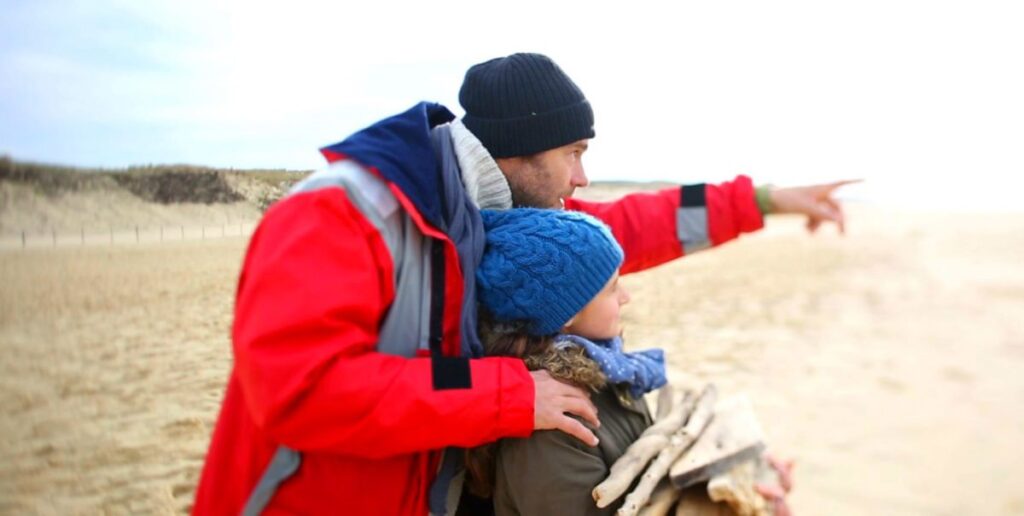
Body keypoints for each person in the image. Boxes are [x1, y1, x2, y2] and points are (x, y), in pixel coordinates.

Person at [192, 52, 847, 515]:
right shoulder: (340, 213)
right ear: (520, 148)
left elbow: (633, 225)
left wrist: (765, 201)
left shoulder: (497, 213)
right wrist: (506, 395)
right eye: (575, 153)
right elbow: (305, 389)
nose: (583, 177)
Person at [465, 208, 662, 516]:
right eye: (612, 289)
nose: (626, 297)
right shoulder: (554, 424)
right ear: (568, 314)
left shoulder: (607, 369)